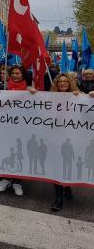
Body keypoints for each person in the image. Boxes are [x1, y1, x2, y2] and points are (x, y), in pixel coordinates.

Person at [0, 65, 34, 196]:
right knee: (4, 152)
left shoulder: (29, 90)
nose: (15, 75)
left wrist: (34, 93)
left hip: (21, 128)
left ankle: (17, 181)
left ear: (23, 75)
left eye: (18, 73)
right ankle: (4, 179)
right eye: (13, 73)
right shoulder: (2, 87)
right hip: (4, 126)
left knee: (18, 154)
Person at [49, 73, 80, 212]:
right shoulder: (48, 97)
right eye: (60, 81)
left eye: (65, 81)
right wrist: (32, 92)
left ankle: (67, 186)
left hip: (71, 139)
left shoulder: (78, 96)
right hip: (55, 138)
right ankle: (58, 198)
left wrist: (90, 95)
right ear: (56, 84)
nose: (62, 83)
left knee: (67, 163)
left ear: (70, 83)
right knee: (57, 165)